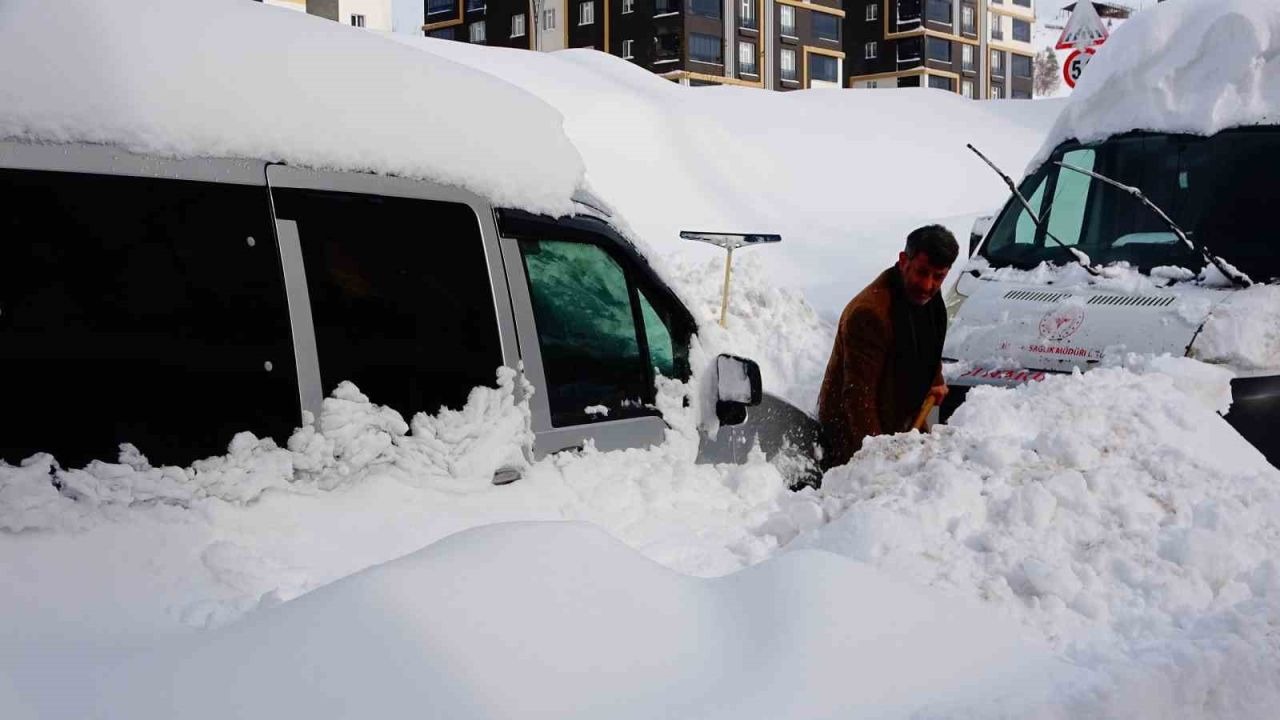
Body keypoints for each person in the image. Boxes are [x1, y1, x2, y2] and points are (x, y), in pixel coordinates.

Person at [817, 225, 959, 469]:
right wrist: (878, 461)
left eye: (939, 277)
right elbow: (858, 398)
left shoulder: (928, 301)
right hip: (852, 441)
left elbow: (927, 341)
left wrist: (935, 379)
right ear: (904, 261)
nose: (928, 285)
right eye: (922, 272)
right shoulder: (870, 314)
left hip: (899, 424)